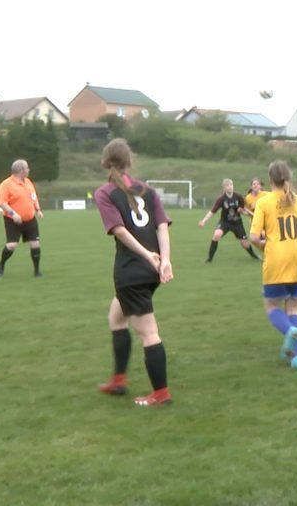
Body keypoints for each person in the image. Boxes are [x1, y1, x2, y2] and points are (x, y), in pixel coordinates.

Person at [94, 138, 174, 407]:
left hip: (132, 271)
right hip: (150, 271)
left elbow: (118, 230)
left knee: (148, 333)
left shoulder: (105, 192)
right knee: (116, 317)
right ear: (129, 161)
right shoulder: (148, 191)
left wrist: (149, 256)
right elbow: (162, 226)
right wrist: (164, 260)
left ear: (105, 161)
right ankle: (118, 381)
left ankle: (161, 394)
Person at [249, 160, 297, 370]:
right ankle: (295, 357)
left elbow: (253, 237)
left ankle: (288, 331)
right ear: (287, 177)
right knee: (293, 308)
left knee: (272, 307)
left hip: (277, 261)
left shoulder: (264, 202)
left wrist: (265, 246)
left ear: (270, 179)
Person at [0, 159, 44, 278]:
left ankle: (37, 271)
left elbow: (33, 197)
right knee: (11, 245)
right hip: (13, 221)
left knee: (35, 244)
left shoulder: (28, 182)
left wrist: (38, 210)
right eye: (27, 168)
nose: (28, 170)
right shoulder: (6, 184)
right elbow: (1, 203)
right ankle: (1, 265)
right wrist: (13, 213)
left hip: (30, 219)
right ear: (20, 170)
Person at [198, 178, 259, 262]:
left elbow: (243, 209)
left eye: (231, 185)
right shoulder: (221, 199)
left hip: (237, 223)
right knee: (217, 235)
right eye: (227, 185)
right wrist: (204, 220)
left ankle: (254, 255)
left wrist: (250, 214)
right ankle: (209, 258)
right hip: (225, 223)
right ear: (224, 188)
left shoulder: (238, 196)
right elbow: (212, 211)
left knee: (244, 244)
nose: (230, 187)